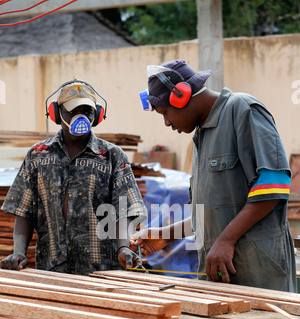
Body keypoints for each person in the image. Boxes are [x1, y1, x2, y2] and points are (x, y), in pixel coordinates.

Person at [130, 60, 297, 293]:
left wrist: (226, 240)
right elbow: (211, 215)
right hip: (222, 276)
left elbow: (274, 186)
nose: (167, 123)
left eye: (166, 113)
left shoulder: (243, 109)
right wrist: (165, 235)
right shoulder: (202, 136)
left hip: (259, 275)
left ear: (182, 96)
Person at [0, 79, 147, 276]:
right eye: (73, 111)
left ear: (98, 115)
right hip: (52, 269)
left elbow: (126, 208)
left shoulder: (112, 156)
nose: (81, 117)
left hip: (102, 271)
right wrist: (18, 252)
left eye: (87, 111)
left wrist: (123, 247)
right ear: (56, 113)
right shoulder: (37, 155)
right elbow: (24, 209)